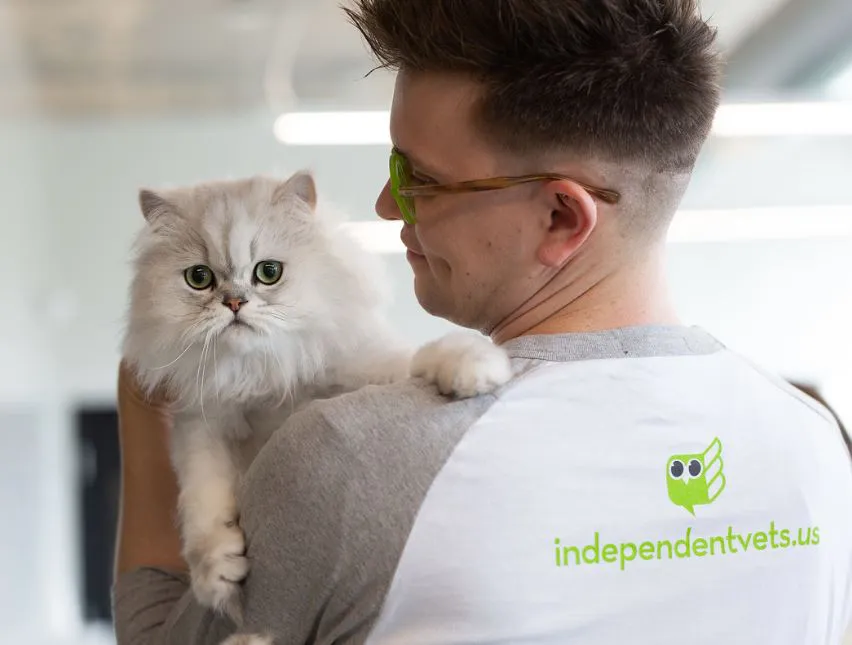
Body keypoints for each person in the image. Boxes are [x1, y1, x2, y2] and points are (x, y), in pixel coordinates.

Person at [112, 1, 852, 643]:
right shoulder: (816, 446)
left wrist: (148, 406)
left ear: (561, 215)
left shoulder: (352, 458)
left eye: (419, 179)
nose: (385, 205)